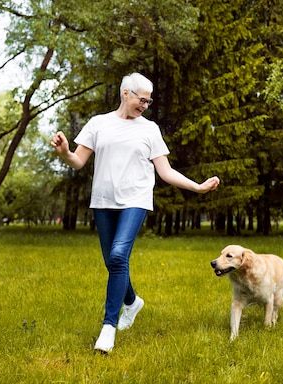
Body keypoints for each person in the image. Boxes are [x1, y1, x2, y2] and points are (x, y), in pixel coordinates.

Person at [51, 72, 220, 353]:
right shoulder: (99, 124)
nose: (145, 105)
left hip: (135, 200)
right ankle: (132, 302)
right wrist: (65, 152)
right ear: (125, 94)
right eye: (142, 99)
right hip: (103, 201)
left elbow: (165, 172)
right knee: (112, 262)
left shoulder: (149, 129)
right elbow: (78, 161)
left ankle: (108, 327)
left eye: (149, 101)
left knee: (118, 256)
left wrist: (198, 187)